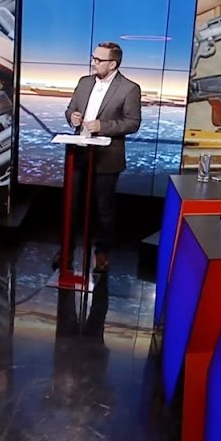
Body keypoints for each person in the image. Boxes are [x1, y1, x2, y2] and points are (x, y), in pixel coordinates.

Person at [54, 42, 143, 273]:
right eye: (93, 58)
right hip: (78, 153)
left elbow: (132, 123)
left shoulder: (129, 88)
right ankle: (66, 249)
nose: (93, 63)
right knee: (71, 205)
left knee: (104, 208)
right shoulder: (84, 82)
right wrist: (72, 117)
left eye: (98, 60)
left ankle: (102, 253)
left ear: (112, 64)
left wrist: (103, 126)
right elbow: (70, 109)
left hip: (106, 157)